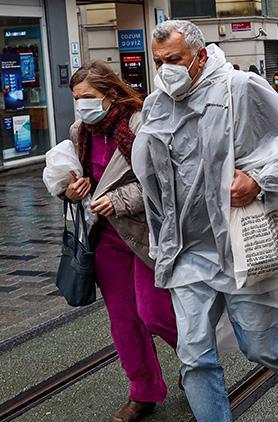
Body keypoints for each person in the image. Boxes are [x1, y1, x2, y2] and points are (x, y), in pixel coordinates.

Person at [131, 20, 278, 422]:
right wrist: (159, 239)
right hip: (185, 251)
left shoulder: (241, 89)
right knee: (194, 358)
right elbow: (152, 179)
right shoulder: (156, 104)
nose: (166, 69)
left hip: (237, 247)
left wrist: (259, 182)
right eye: (159, 61)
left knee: (262, 347)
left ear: (200, 56)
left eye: (175, 59)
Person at [65, 61, 178, 422]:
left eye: (88, 98)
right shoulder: (79, 131)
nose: (82, 105)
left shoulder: (139, 124)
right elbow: (73, 183)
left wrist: (119, 200)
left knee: (155, 313)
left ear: (110, 94)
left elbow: (165, 183)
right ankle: (143, 391)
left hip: (146, 234)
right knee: (124, 320)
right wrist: (71, 190)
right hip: (106, 239)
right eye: (76, 98)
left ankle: (201, 363)